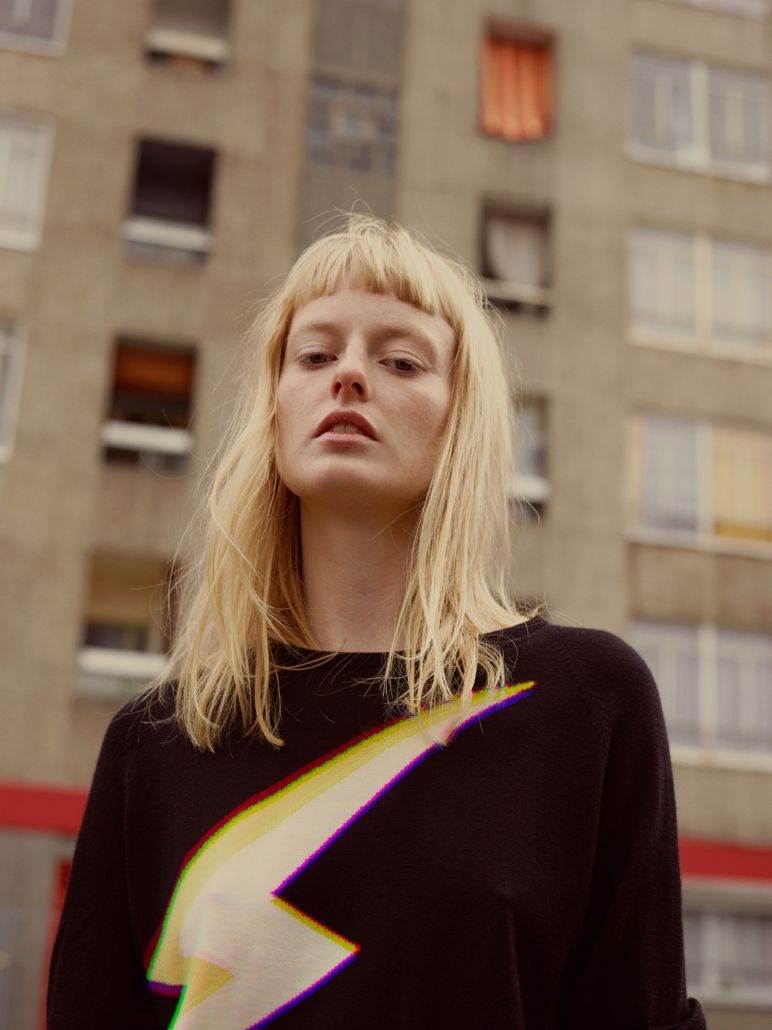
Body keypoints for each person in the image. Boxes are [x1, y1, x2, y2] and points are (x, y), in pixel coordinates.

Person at [47, 214, 707, 1029]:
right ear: (275, 407)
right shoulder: (159, 739)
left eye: (400, 360)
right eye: (316, 355)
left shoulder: (584, 703)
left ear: (460, 421)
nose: (349, 376)